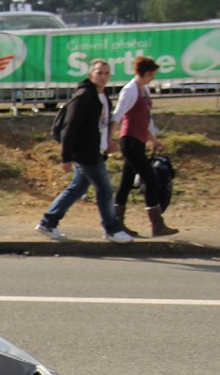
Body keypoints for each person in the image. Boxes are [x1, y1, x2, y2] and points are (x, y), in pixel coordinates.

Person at [37, 60, 132, 244]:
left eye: (106, 73)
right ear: (91, 75)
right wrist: (66, 157)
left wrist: (108, 142)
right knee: (104, 188)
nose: (102, 76)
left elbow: (100, 125)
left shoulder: (102, 95)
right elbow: (69, 128)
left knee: (77, 188)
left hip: (95, 149)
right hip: (85, 153)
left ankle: (48, 222)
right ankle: (112, 229)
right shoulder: (84, 96)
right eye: (99, 73)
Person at [112, 57, 176, 237]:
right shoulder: (130, 90)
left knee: (126, 183)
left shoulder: (143, 90)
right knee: (151, 179)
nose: (152, 78)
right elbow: (117, 115)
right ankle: (157, 224)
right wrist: (110, 139)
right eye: (152, 75)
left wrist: (153, 139)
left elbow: (145, 119)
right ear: (146, 73)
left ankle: (117, 223)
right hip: (129, 141)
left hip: (138, 141)